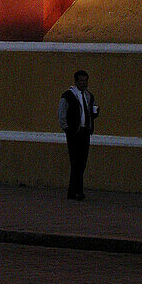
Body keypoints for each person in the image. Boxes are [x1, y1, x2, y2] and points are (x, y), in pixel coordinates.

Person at [58, 68, 99, 200]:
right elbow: (62, 113)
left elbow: (90, 112)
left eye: (86, 80)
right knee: (75, 162)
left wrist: (94, 115)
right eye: (81, 80)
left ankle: (76, 190)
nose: (84, 83)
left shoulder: (88, 96)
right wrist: (67, 130)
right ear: (76, 82)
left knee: (82, 162)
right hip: (74, 132)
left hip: (85, 131)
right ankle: (75, 191)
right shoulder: (68, 96)